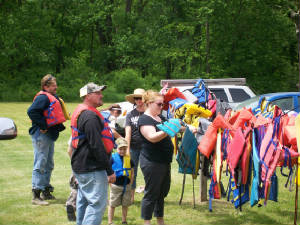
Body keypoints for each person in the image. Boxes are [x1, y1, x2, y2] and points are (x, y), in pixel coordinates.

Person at [71, 82, 116, 225]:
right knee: (97, 205)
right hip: (92, 168)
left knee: (84, 202)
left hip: (81, 166)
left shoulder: (83, 113)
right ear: (88, 96)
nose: (101, 95)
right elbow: (96, 146)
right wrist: (109, 171)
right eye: (98, 93)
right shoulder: (90, 117)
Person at [138, 90, 177, 225]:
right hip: (151, 161)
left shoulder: (160, 117)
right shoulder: (144, 119)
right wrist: (168, 128)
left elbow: (172, 127)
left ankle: (160, 220)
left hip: (164, 161)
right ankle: (147, 222)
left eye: (163, 104)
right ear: (149, 104)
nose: (162, 107)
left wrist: (187, 128)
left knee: (162, 192)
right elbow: (152, 137)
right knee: (152, 193)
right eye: (159, 104)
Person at [27, 74, 66, 206]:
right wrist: (43, 125)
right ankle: (36, 195)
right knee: (40, 163)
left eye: (56, 84)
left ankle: (45, 191)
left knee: (48, 164)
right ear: (45, 86)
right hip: (41, 135)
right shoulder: (43, 97)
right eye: (53, 85)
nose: (56, 87)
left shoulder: (51, 97)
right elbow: (31, 111)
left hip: (48, 135)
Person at [125, 88, 146, 202]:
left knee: (148, 171)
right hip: (134, 147)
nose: (138, 100)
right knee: (132, 173)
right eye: (136, 98)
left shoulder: (150, 113)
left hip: (148, 147)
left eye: (141, 98)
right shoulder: (130, 115)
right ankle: (131, 197)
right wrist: (127, 149)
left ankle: (149, 196)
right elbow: (128, 133)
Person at [108, 137, 134, 225]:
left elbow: (132, 172)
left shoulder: (129, 159)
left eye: (124, 149)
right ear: (116, 148)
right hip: (115, 185)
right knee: (112, 204)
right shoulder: (112, 158)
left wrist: (130, 183)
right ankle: (110, 221)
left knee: (125, 204)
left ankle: (124, 220)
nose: (122, 151)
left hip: (126, 185)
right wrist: (110, 183)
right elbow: (108, 171)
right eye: (120, 149)